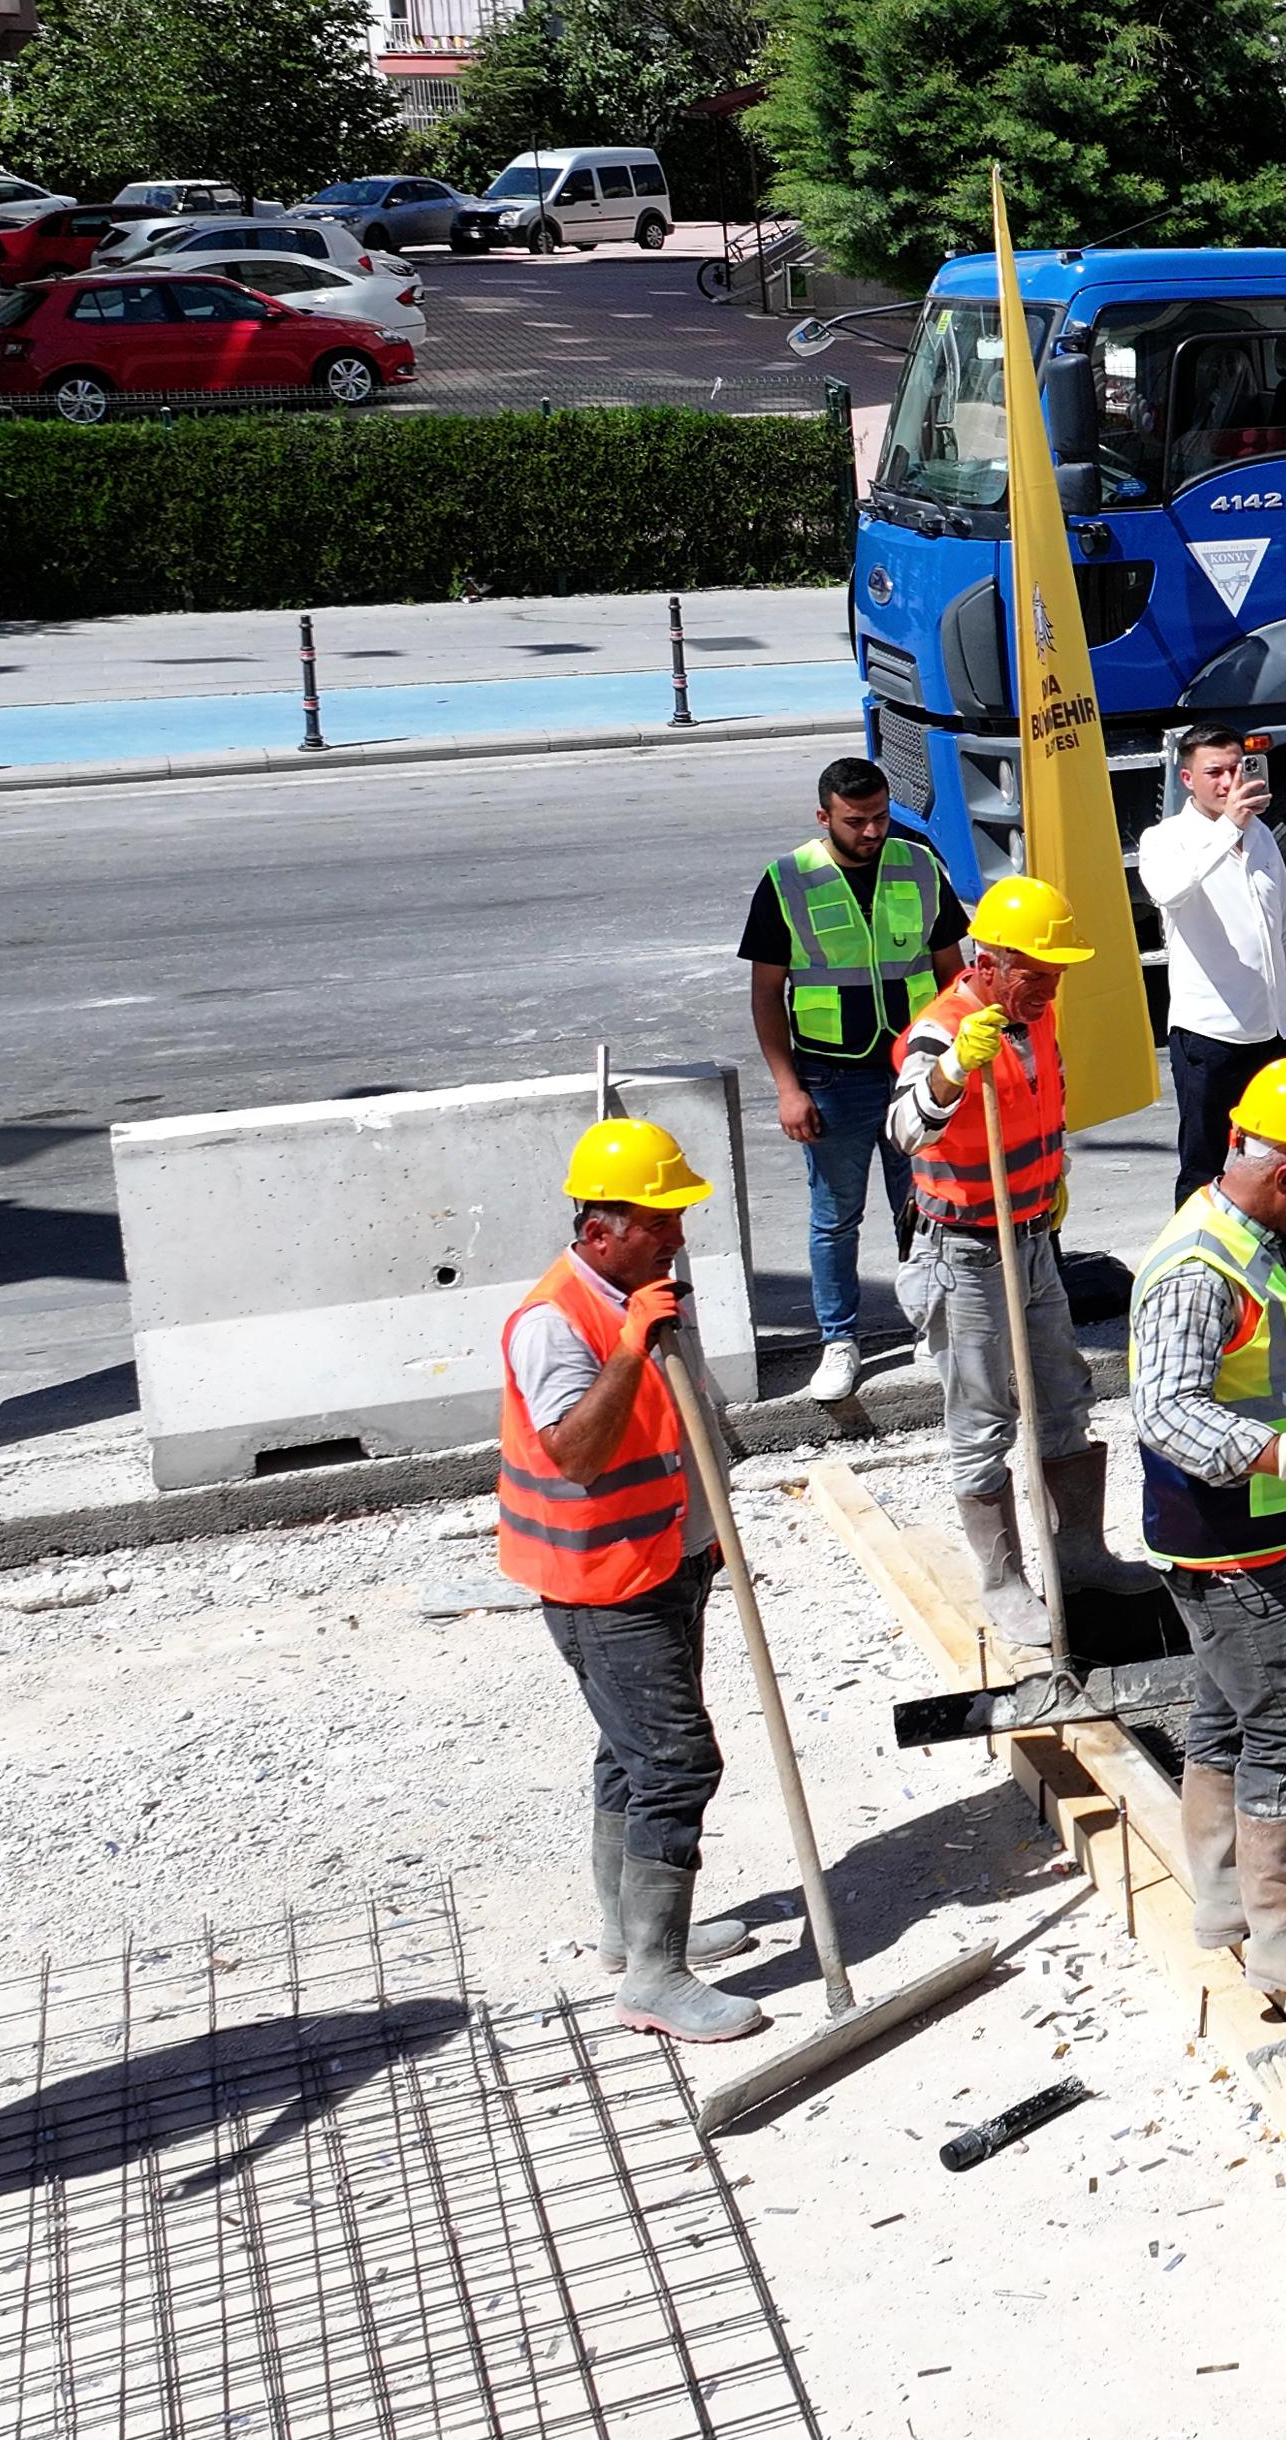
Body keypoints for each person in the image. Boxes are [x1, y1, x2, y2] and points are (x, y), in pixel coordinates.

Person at [1124, 1056, 1286, 2007]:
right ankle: (1281, 1931)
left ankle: (1225, 1897)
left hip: (1269, 1528)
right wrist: (1282, 1457)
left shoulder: (1271, 1244)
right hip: (1225, 1541)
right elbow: (1165, 1411)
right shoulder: (1202, 1271)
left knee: (1225, 1708)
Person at [497, 1119, 765, 2048]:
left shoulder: (637, 1292)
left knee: (628, 1750)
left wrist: (711, 1526)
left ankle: (628, 1930)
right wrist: (629, 1349)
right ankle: (655, 1975)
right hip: (604, 1582)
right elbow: (574, 1453)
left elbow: (680, 1421)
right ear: (601, 1228)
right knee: (676, 1762)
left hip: (665, 1559)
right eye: (660, 1221)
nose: (678, 1235)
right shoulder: (555, 1322)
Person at [888, 872, 1148, 1648]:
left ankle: (1079, 1559)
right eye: (1039, 973)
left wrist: (1052, 1186)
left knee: (1065, 1394)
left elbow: (1043, 1109)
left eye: (1057, 974)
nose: (1051, 987)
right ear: (990, 961)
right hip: (964, 1249)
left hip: (1031, 1235)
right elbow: (906, 1129)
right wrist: (952, 1071)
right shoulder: (944, 1030)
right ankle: (1002, 1580)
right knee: (981, 1415)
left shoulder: (1033, 1018)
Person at [739, 757, 964, 1405]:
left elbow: (953, 974)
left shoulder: (920, 868)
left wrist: (952, 1063)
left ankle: (928, 1322)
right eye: (855, 820)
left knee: (924, 1207)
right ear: (824, 817)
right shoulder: (789, 880)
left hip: (911, 1072)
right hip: (831, 1076)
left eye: (880, 816)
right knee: (835, 1217)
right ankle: (840, 1340)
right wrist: (788, 1088)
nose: (871, 831)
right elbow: (765, 996)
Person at [1133, 727, 1286, 1204]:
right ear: (1188, 778)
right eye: (1215, 773)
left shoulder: (1260, 835)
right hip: (1211, 1034)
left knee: (1280, 1156)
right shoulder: (1166, 839)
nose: (1228, 782)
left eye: (1235, 769)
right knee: (1203, 1164)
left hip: (1274, 1027)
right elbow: (1168, 891)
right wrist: (1228, 828)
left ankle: (1278, 1247)